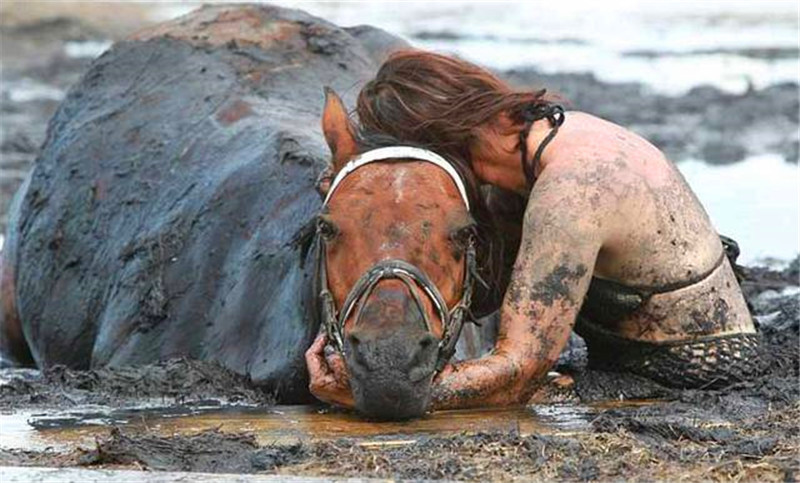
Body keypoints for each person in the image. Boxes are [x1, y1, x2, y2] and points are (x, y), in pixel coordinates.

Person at [306, 50, 760, 410]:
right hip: (642, 359)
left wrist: (379, 390)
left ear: (443, 139)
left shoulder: (573, 190)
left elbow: (518, 373)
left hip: (689, 377)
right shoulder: (549, 145)